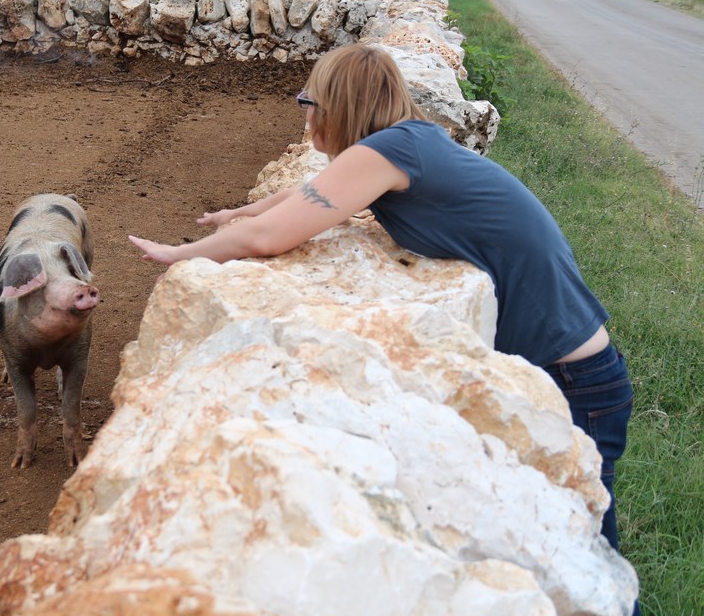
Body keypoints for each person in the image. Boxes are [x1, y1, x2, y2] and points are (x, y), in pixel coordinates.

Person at [128, 44, 637, 563]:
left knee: (585, 562)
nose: (305, 117)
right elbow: (311, 193)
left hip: (574, 383)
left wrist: (178, 254)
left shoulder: (389, 151)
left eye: (308, 102)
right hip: (575, 368)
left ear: (335, 107)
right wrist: (237, 213)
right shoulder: (409, 142)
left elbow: (269, 237)